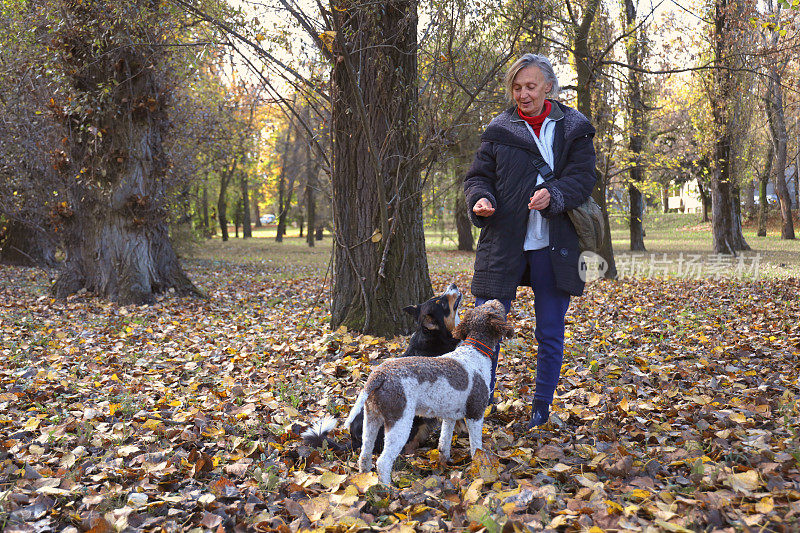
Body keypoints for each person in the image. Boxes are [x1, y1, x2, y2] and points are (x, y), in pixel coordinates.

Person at [463, 53, 597, 429]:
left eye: (530, 86)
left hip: (555, 244)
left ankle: (540, 409)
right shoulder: (499, 129)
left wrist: (554, 196)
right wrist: (480, 199)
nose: (522, 94)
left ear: (548, 87)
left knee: (550, 331)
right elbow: (477, 177)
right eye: (517, 87)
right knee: (484, 329)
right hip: (503, 243)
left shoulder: (574, 128)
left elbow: (583, 177)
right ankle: (479, 408)